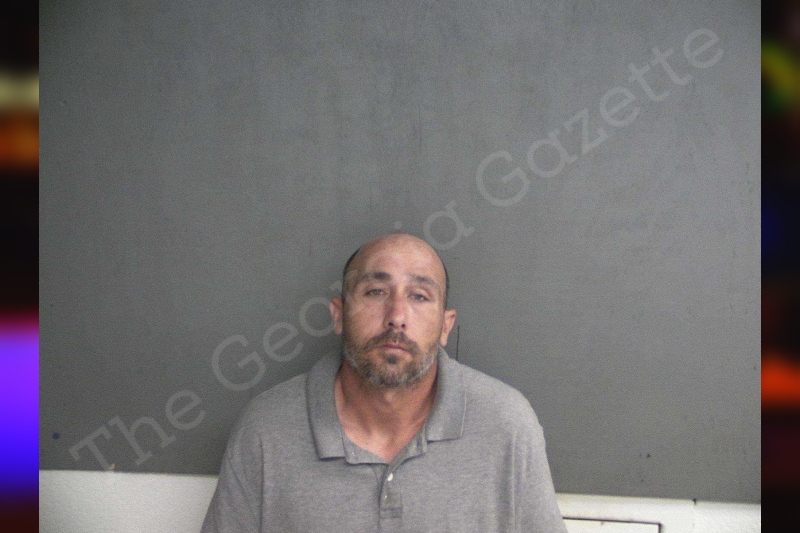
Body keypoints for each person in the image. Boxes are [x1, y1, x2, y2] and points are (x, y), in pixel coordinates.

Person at [201, 233, 567, 532]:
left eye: (419, 296)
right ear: (339, 315)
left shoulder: (507, 425)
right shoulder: (266, 428)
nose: (396, 316)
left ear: (445, 326)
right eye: (375, 292)